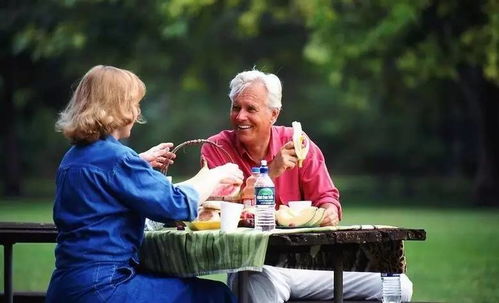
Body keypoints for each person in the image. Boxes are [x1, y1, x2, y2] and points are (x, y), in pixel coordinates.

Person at [201, 69, 413, 302]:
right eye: (235, 107)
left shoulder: (299, 144)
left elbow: (328, 200)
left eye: (250, 109)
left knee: (398, 285)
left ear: (274, 114)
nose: (240, 116)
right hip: (257, 266)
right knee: (254, 283)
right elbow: (217, 211)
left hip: (311, 266)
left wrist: (328, 213)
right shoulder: (216, 148)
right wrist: (272, 171)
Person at [46, 65, 243, 303]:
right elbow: (177, 204)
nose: (138, 111)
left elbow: (103, 186)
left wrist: (138, 163)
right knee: (216, 296)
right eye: (134, 103)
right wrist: (215, 175)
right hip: (104, 289)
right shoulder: (118, 159)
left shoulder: (73, 158)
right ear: (118, 107)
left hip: (65, 287)